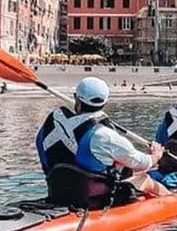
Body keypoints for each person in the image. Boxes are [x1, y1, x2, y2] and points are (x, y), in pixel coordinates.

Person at [36, 77, 169, 210]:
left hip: (58, 195)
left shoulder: (48, 128)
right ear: (105, 102)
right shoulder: (104, 135)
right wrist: (156, 156)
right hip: (95, 201)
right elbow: (142, 164)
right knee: (144, 179)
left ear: (76, 98)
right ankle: (173, 204)